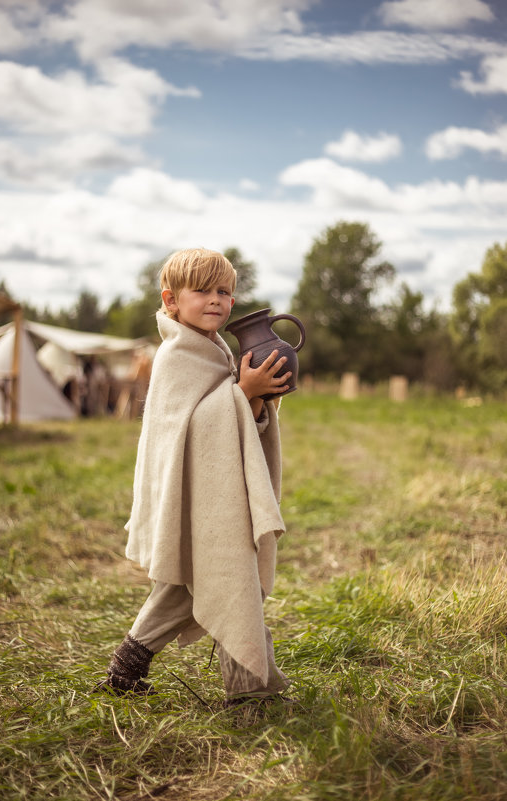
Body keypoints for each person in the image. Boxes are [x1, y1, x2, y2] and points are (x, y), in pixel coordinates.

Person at [98, 247, 292, 706]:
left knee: (197, 580)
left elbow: (231, 419)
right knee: (225, 578)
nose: (216, 300)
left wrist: (256, 397)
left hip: (219, 493)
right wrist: (243, 392)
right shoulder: (175, 356)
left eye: (224, 291)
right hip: (192, 495)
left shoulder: (217, 349)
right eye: (202, 291)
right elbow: (189, 428)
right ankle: (251, 696)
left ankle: (126, 669)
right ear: (171, 300)